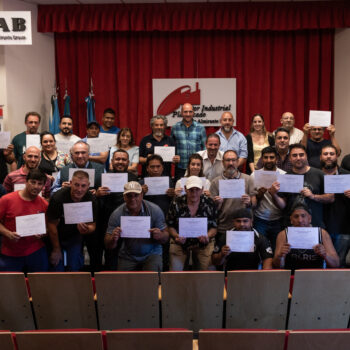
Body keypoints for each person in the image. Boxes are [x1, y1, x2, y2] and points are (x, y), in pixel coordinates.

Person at [105, 181, 169, 271]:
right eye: (129, 196)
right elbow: (108, 245)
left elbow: (166, 237)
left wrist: (160, 235)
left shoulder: (155, 210)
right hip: (128, 255)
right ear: (124, 197)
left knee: (152, 281)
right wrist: (113, 239)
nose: (133, 199)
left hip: (152, 253)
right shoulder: (117, 213)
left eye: (136, 195)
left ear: (142, 195)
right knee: (122, 283)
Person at [47, 170, 98, 271]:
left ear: (88, 186)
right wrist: (56, 249)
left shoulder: (91, 199)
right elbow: (51, 225)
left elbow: (93, 226)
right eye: (76, 185)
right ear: (70, 183)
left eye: (83, 186)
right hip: (57, 235)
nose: (79, 189)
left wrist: (87, 229)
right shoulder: (58, 198)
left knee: (74, 268)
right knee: (56, 268)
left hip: (75, 236)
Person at [96, 149, 139, 270]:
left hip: (129, 222)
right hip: (107, 222)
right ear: (112, 161)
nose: (120, 162)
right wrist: (97, 195)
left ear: (128, 162)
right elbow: (95, 204)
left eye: (124, 159)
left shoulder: (134, 178)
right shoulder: (103, 178)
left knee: (130, 255)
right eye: (117, 159)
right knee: (111, 256)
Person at [0, 169, 49, 272]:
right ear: (26, 182)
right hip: (10, 252)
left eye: (40, 184)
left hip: (35, 250)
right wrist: (7, 233)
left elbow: (48, 227)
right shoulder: (6, 200)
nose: (36, 186)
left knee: (40, 284)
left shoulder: (44, 204)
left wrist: (43, 233)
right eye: (33, 182)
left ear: (44, 186)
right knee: (10, 286)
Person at [167, 176, 218, 271]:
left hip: (204, 244)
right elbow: (170, 225)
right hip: (180, 242)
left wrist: (207, 236)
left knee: (209, 273)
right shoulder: (176, 202)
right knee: (175, 272)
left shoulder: (210, 203)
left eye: (197, 189)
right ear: (185, 189)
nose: (194, 193)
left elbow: (214, 227)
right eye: (191, 190)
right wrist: (176, 236)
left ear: (202, 189)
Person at [279, 144, 333, 228]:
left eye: (301, 155)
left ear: (306, 156)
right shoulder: (285, 177)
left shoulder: (319, 174)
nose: (298, 158)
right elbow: (283, 205)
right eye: (294, 155)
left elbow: (331, 198)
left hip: (315, 225)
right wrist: (273, 194)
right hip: (291, 226)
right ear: (290, 158)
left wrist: (313, 196)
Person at [273, 204, 339, 270]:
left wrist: (325, 255)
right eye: (296, 216)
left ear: (309, 218)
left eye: (303, 216)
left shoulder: (322, 233)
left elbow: (336, 264)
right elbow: (277, 266)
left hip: (315, 276)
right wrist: (281, 256)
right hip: (291, 275)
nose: (300, 220)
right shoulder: (283, 234)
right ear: (291, 220)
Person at [210, 150, 253, 241]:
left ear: (238, 162)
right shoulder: (215, 182)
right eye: (228, 160)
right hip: (223, 227)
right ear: (222, 162)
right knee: (224, 253)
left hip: (244, 226)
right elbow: (212, 210)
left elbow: (255, 202)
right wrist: (217, 204)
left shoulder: (248, 179)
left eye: (233, 160)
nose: (231, 163)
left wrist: (250, 202)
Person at [250, 146, 286, 250]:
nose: (268, 160)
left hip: (278, 220)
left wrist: (273, 194)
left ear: (277, 159)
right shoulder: (254, 175)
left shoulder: (283, 175)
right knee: (260, 250)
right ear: (261, 159)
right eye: (265, 157)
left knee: (277, 250)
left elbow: (284, 205)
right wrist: (259, 195)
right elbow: (253, 203)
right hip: (260, 219)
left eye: (271, 157)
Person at [320, 145, 350, 267]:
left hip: (343, 228)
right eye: (325, 154)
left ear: (337, 156)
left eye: (331, 154)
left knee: (339, 264)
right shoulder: (314, 175)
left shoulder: (348, 175)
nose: (328, 157)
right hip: (321, 227)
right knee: (319, 265)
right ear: (320, 157)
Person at [171, 103, 206, 180]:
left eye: (190, 112)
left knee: (197, 190)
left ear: (193, 113)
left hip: (196, 168)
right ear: (181, 113)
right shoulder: (175, 128)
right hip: (180, 168)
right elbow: (171, 147)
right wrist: (172, 156)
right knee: (180, 190)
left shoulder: (200, 127)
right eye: (185, 112)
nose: (188, 114)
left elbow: (204, 147)